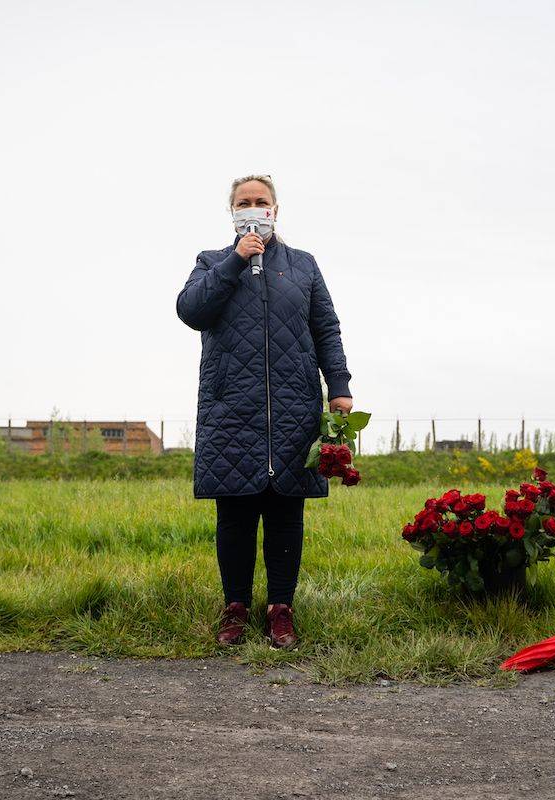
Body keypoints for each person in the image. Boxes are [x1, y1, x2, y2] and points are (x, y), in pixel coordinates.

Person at [176, 174, 353, 650]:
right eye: (243, 203)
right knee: (233, 512)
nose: (253, 209)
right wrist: (235, 261)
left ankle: (280, 609)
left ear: (276, 209)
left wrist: (339, 387)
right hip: (231, 405)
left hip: (294, 405)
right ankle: (234, 608)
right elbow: (191, 310)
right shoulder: (212, 263)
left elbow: (326, 328)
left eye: (261, 202)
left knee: (284, 514)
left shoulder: (303, 266)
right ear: (231, 212)